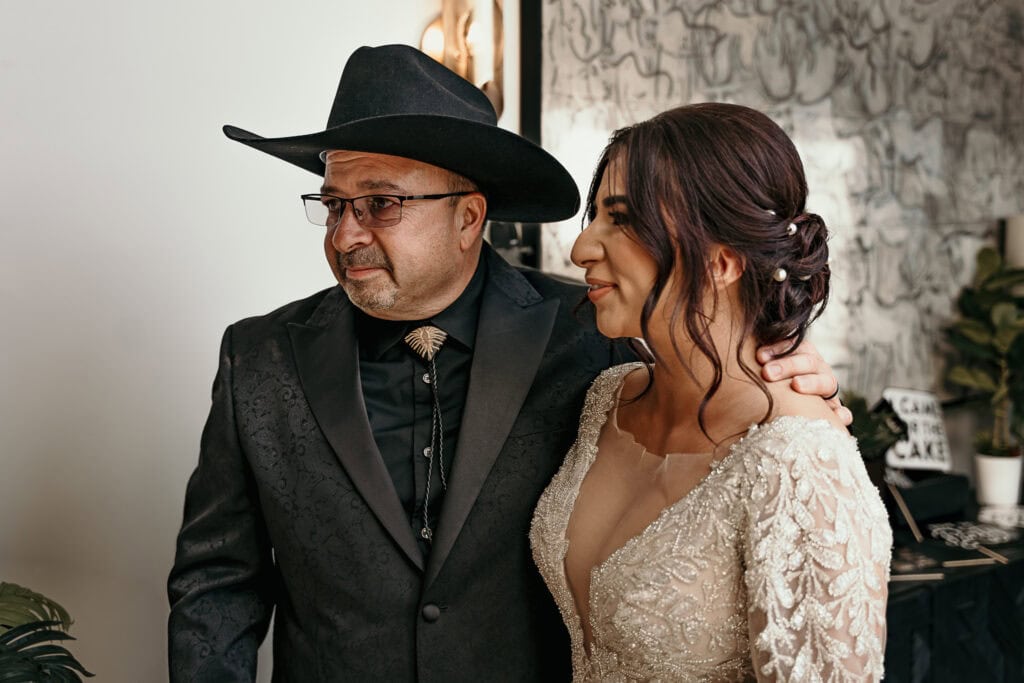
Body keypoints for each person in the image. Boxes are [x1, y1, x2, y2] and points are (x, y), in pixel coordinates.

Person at [167, 46, 847, 682]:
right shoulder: (257, 357)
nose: (346, 234)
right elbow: (216, 582)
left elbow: (718, 411)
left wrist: (793, 382)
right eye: (334, 205)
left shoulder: (594, 337)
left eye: (380, 203)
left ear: (469, 217)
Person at [530, 103, 892, 681]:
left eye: (620, 220)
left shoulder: (798, 465)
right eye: (594, 216)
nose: (581, 250)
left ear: (722, 260)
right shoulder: (607, 399)